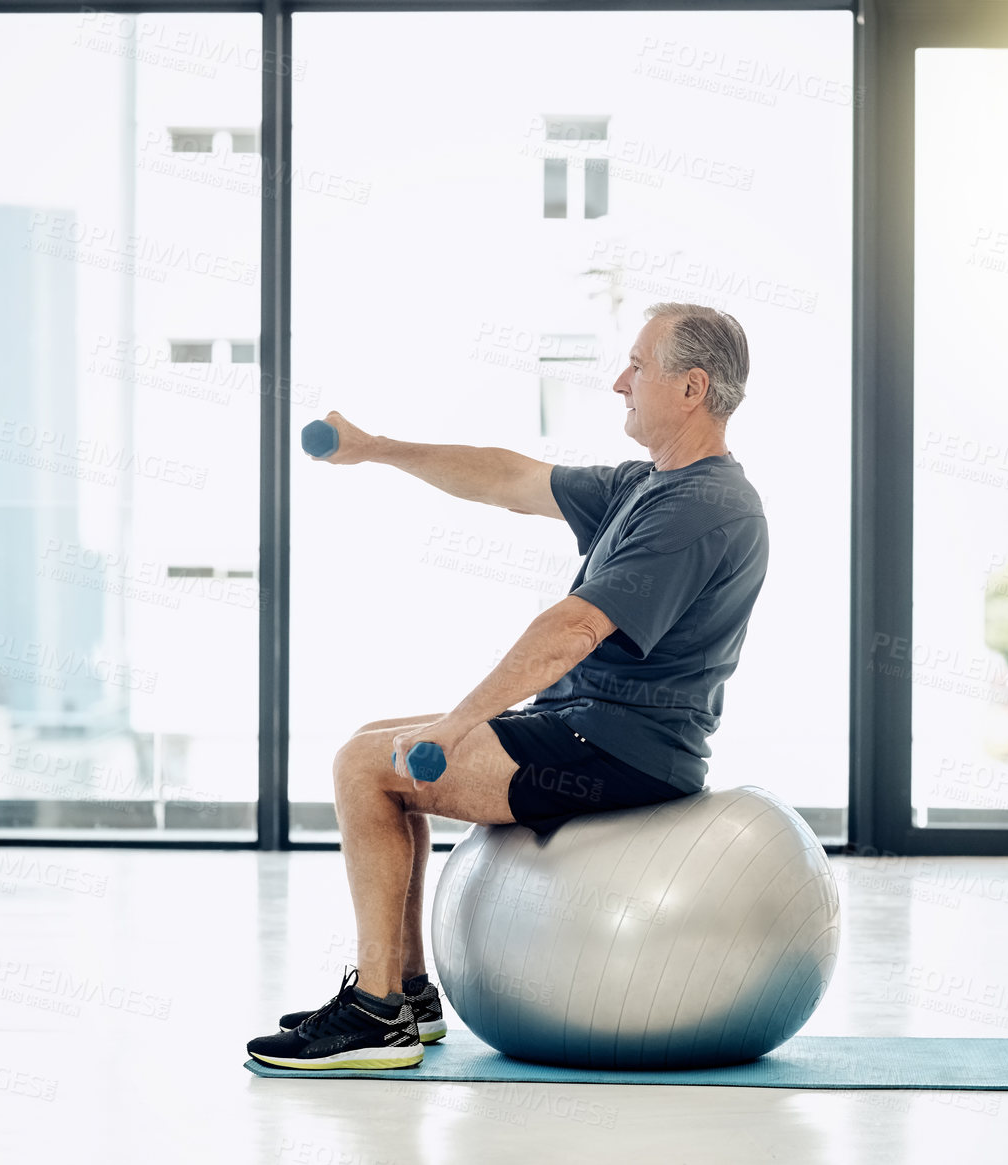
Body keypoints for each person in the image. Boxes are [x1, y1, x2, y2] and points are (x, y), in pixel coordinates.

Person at [247, 302, 769, 1070]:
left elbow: (574, 627)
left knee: (369, 766)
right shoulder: (647, 485)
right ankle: (407, 994)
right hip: (591, 726)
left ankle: (375, 1011)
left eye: (637, 364)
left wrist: (458, 725)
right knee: (370, 745)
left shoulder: (704, 506)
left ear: (691, 388)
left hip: (622, 747)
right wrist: (375, 448)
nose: (618, 380)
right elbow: (506, 477)